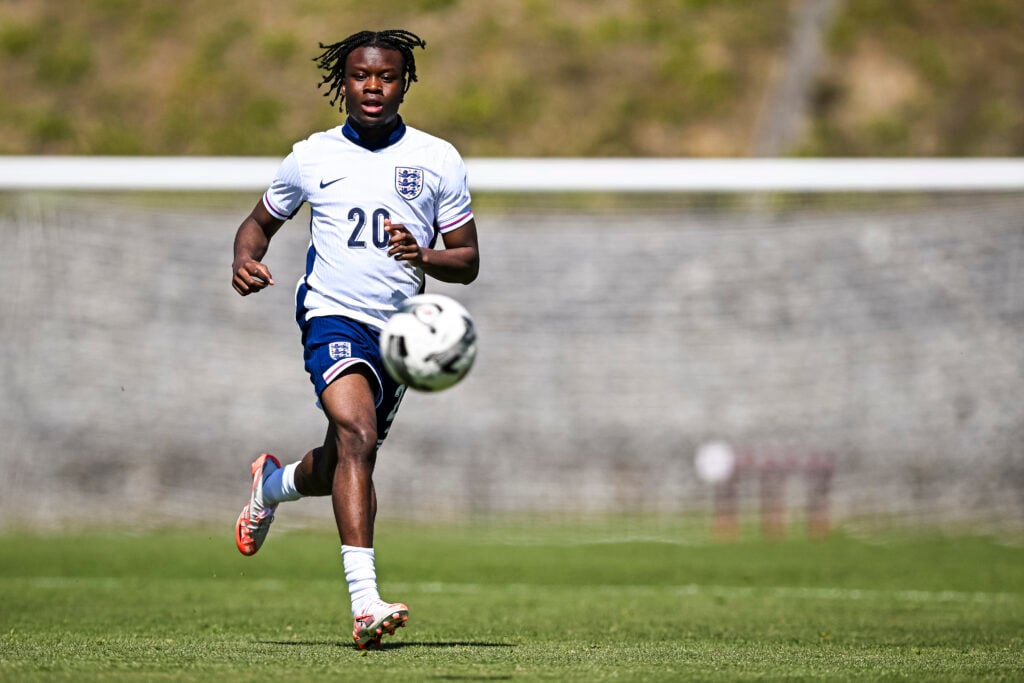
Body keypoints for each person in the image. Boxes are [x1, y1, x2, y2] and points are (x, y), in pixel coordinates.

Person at [230, 29, 480, 649]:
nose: (374, 87)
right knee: (358, 437)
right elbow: (259, 223)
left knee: (345, 457)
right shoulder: (311, 156)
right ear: (343, 83)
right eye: (361, 76)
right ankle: (365, 602)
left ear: (405, 83)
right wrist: (243, 258)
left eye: (387, 77)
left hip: (397, 333)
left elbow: (468, 260)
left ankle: (273, 484)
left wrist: (420, 253)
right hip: (331, 315)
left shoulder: (437, 159)